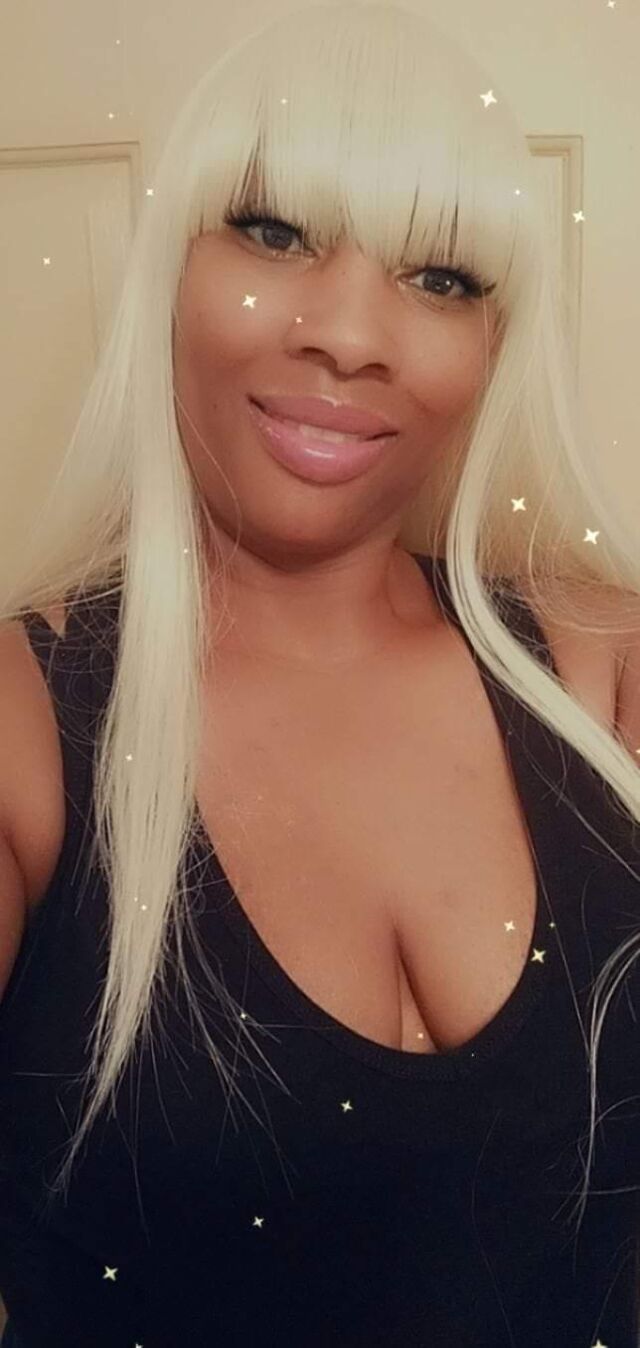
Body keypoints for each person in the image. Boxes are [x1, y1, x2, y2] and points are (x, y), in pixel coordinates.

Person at [1, 3, 640, 1344]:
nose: (350, 335)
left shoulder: (603, 676)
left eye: (442, 277)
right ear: (168, 272)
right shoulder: (22, 724)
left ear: (495, 345)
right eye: (274, 232)